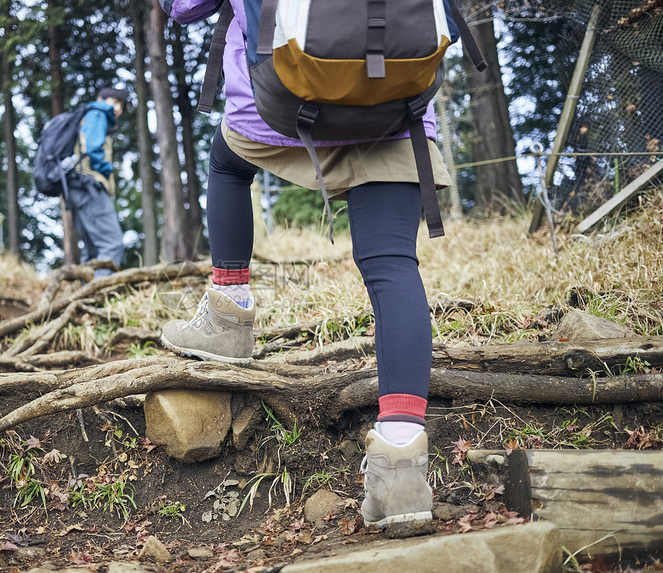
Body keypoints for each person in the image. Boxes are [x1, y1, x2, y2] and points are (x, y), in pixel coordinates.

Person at [159, 1, 453, 534]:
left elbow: (184, 9)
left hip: (279, 115)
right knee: (392, 267)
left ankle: (229, 315)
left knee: (225, 161)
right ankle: (402, 467)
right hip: (397, 109)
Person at [61, 87, 128, 277]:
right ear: (100, 99)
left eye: (120, 105)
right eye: (113, 101)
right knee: (111, 243)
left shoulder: (90, 114)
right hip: (90, 184)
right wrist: (107, 169)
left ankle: (83, 298)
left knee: (92, 250)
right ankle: (101, 298)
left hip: (76, 187)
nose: (116, 108)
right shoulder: (98, 112)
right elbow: (91, 147)